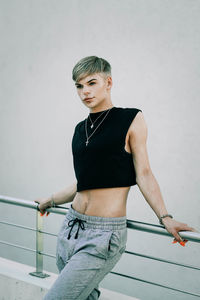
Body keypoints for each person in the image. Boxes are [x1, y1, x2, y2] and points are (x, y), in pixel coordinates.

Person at [35, 56, 194, 300]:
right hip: (71, 227)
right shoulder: (80, 129)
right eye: (79, 86)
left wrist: (165, 217)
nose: (85, 91)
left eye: (92, 83)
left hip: (103, 236)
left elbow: (144, 172)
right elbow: (85, 182)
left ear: (108, 83)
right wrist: (50, 200)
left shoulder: (130, 118)